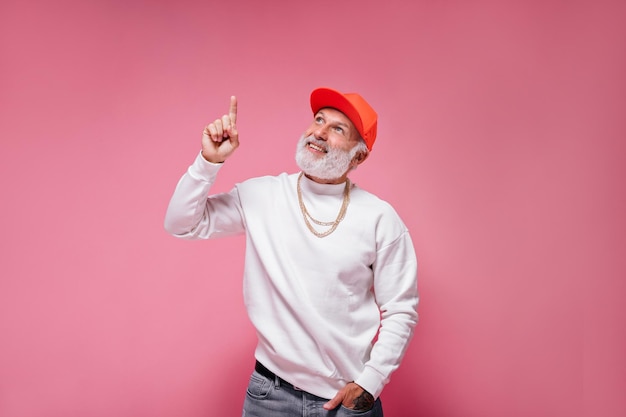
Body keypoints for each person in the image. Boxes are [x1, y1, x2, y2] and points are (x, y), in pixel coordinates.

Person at [164, 87, 418, 416]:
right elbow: (181, 223)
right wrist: (208, 162)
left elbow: (402, 309)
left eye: (337, 129)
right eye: (318, 120)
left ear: (359, 156)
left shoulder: (380, 219)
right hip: (270, 396)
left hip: (347, 402)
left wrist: (371, 382)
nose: (319, 132)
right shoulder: (262, 196)